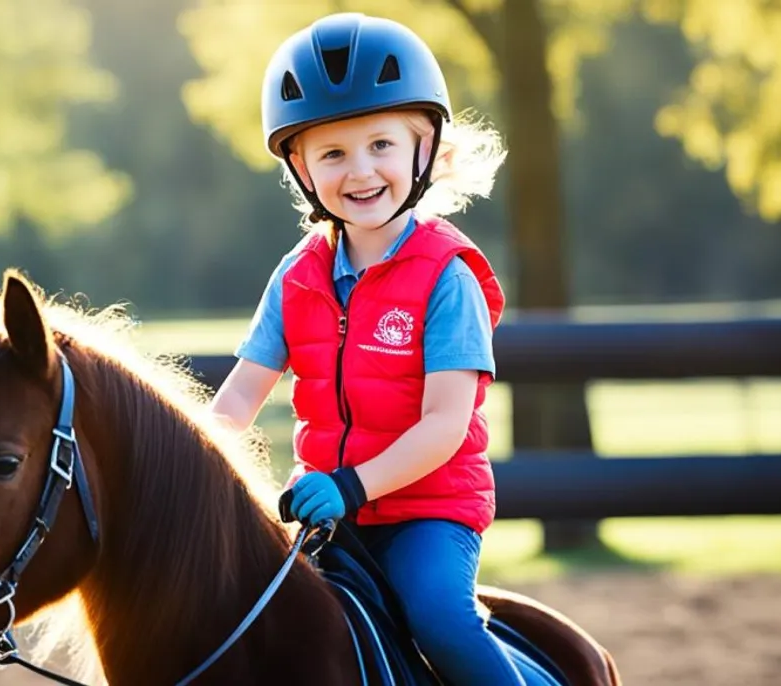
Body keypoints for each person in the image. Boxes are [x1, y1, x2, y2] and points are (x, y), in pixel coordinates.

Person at [209, 12, 550, 686]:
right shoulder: (297, 275)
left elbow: (445, 425)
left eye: (381, 145)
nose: (360, 172)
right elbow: (242, 393)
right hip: (324, 509)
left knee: (440, 620)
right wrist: (194, 467)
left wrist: (350, 486)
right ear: (301, 168)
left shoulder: (449, 278)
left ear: (425, 149)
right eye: (333, 153)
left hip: (427, 512)